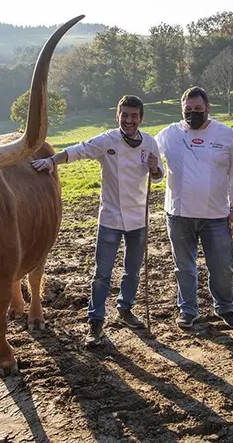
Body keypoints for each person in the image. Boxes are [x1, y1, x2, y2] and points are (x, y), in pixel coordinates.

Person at [32, 95, 164, 346]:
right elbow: (79, 150)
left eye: (134, 115)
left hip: (138, 218)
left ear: (141, 118)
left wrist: (155, 168)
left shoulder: (150, 143)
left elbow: (158, 176)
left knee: (132, 271)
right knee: (101, 274)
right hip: (111, 218)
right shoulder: (107, 140)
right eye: (124, 115)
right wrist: (51, 160)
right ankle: (96, 321)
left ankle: (125, 309)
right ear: (118, 116)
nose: (128, 120)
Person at [156, 87, 233, 329]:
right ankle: (188, 309)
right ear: (182, 110)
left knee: (221, 266)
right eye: (188, 110)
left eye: (198, 109)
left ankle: (225, 307)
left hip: (216, 214)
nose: (193, 113)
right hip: (179, 214)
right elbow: (154, 164)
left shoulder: (226, 135)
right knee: (184, 266)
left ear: (208, 108)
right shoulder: (168, 134)